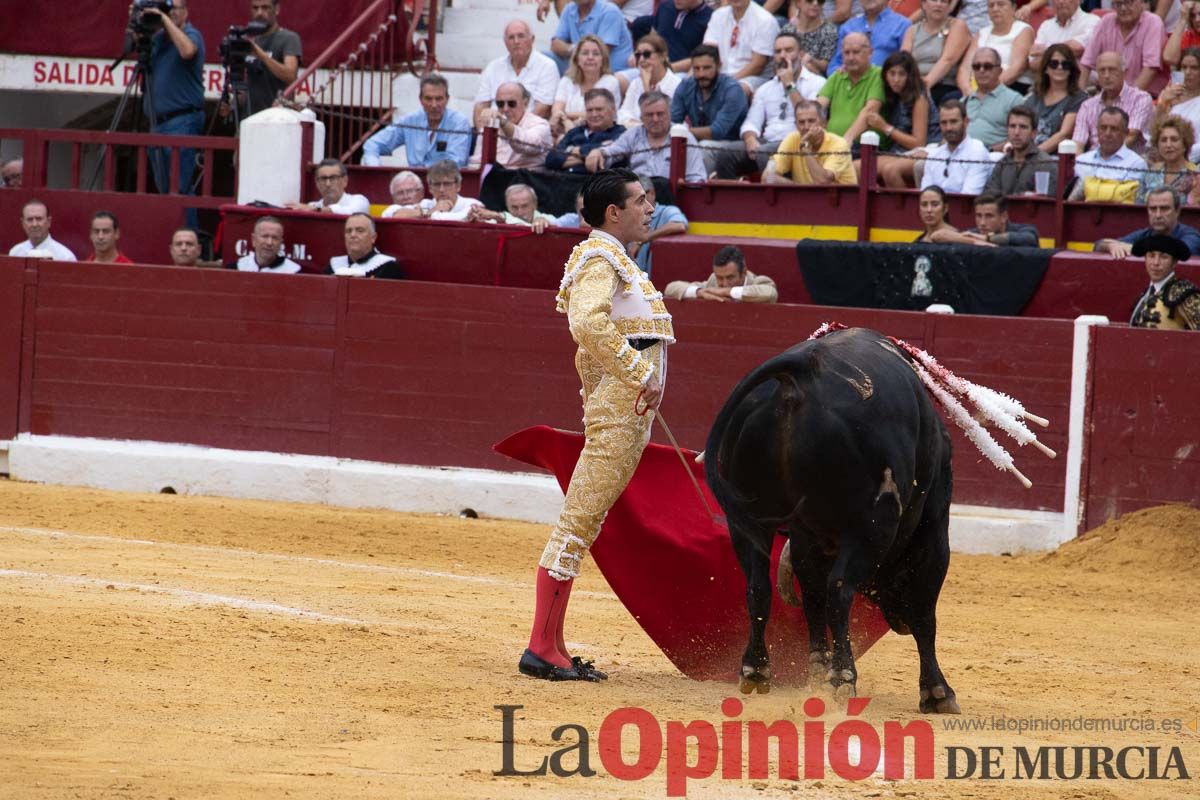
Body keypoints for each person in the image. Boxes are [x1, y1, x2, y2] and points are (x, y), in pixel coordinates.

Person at [520, 168, 673, 683]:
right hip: (618, 416)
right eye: (641, 201)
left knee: (583, 524)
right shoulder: (600, 256)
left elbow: (589, 349)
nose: (650, 209)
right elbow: (586, 324)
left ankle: (552, 645)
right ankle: (541, 648)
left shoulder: (614, 259)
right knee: (577, 525)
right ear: (614, 212)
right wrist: (636, 375)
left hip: (621, 415)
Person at [730, 32, 828, 177]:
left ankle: (771, 196)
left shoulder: (818, 83)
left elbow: (809, 115)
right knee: (713, 149)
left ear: (801, 54)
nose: (783, 55)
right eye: (778, 51)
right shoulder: (765, 88)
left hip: (800, 141)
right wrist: (750, 138)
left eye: (788, 50)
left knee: (764, 151)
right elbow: (751, 123)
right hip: (766, 142)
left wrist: (789, 84)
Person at [135, 0, 204, 195]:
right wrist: (137, 23)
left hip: (181, 121)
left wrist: (164, 19)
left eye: (174, 8)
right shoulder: (158, 39)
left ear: (186, 12)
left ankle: (187, 226)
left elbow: (188, 51)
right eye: (167, 9)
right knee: (164, 189)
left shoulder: (192, 34)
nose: (170, 12)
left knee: (179, 189)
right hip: (157, 124)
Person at [589, 91, 709, 181]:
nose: (655, 119)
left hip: (672, 197)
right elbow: (612, 152)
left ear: (669, 114)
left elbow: (697, 177)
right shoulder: (633, 135)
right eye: (649, 115)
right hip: (639, 198)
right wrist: (598, 152)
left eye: (660, 114)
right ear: (641, 117)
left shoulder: (684, 136)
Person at [361, 75, 472, 167]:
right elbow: (372, 144)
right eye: (428, 99)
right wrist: (375, 166)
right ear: (420, 99)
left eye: (439, 99)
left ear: (447, 99)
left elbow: (456, 162)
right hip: (414, 182)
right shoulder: (410, 120)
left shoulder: (459, 123)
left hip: (445, 183)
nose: (434, 105)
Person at [671, 45, 750, 174]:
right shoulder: (685, 85)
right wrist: (677, 131)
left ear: (719, 66)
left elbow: (717, 131)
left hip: (732, 144)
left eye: (707, 68)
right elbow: (673, 121)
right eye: (696, 68)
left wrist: (681, 132)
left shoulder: (733, 89)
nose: (701, 74)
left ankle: (697, 187)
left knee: (704, 147)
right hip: (696, 141)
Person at [867, 50, 941, 186]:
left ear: (910, 76)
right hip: (898, 152)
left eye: (901, 74)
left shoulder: (919, 98)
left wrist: (885, 127)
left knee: (890, 171)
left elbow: (919, 142)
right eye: (892, 73)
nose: (896, 79)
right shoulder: (890, 94)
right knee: (858, 168)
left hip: (925, 150)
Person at [474, 21, 560, 125]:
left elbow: (543, 109)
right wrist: (482, 134)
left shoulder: (547, 66)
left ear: (532, 39)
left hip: (529, 133)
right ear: (505, 43)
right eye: (511, 37)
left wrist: (513, 132)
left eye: (521, 36)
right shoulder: (493, 67)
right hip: (494, 131)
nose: (516, 41)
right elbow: (480, 106)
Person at [1080, 0, 1168, 95]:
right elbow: (1086, 62)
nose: (1123, 8)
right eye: (1118, 4)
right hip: (1109, 94)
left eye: (1128, 3)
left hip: (1145, 95)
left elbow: (1150, 68)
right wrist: (1078, 97)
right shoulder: (1106, 21)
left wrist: (1127, 99)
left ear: (1142, 2)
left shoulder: (1153, 22)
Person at [1072, 52, 1154, 153]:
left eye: (1112, 70)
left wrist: (1103, 159)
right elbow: (1078, 143)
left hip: (1129, 161)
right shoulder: (1087, 105)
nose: (1106, 75)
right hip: (1093, 162)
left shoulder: (1140, 99)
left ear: (1124, 72)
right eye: (1102, 70)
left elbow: (1131, 136)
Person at [765, 100, 860, 184]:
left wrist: (805, 148)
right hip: (807, 201)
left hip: (840, 202)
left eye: (811, 121)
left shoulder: (839, 144)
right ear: (796, 125)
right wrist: (797, 189)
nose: (806, 127)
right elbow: (767, 178)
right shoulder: (792, 139)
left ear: (823, 123)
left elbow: (822, 181)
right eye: (801, 122)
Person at [817, 33, 885, 145]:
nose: (851, 57)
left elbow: (870, 111)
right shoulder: (837, 76)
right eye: (846, 53)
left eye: (856, 52)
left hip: (863, 147)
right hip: (832, 145)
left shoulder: (878, 75)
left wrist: (846, 140)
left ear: (870, 53)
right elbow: (818, 106)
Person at [550, 35, 624, 138]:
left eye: (596, 54)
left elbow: (596, 114)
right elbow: (557, 109)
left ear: (603, 59)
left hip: (600, 133)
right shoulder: (566, 81)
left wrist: (565, 116)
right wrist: (564, 119)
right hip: (566, 127)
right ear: (577, 59)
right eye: (585, 53)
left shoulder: (610, 82)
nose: (590, 57)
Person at [1094, 186, 1200, 256]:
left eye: (1164, 209)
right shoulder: (1145, 234)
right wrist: (1111, 245)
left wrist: (1133, 248)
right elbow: (1098, 245)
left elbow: (1179, 250)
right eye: (1153, 209)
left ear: (1177, 211)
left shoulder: (1191, 235)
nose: (1158, 215)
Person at [915, 99, 994, 193]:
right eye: (944, 123)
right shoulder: (934, 155)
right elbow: (926, 194)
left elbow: (968, 198)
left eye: (953, 122)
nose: (948, 128)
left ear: (966, 122)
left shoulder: (977, 152)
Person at [901, 0, 971, 106]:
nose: (938, 4)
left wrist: (923, 86)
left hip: (943, 86)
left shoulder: (957, 26)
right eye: (934, 0)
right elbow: (904, 62)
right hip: (913, 85)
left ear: (949, 6)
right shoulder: (911, 31)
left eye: (943, 1)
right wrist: (912, 84)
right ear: (924, 4)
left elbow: (948, 60)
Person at [1021, 44, 1087, 155]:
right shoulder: (1033, 98)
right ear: (1046, 68)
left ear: (1071, 69)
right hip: (1029, 154)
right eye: (1054, 64)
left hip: (1057, 158)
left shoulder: (1079, 98)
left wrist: (1033, 155)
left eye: (1065, 64)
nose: (1059, 67)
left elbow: (1064, 134)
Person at [1071, 107, 1149, 200]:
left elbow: (1129, 199)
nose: (1108, 133)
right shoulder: (1081, 161)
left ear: (1126, 133)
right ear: (1097, 130)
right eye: (1103, 128)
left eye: (1114, 129)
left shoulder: (1136, 164)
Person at [702, 0, 781, 91]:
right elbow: (707, 52)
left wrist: (726, 83)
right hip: (720, 75)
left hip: (752, 77)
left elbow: (757, 66)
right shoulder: (718, 15)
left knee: (735, 90)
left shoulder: (765, 20)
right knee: (685, 81)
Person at [474, 83, 555, 169]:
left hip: (525, 178)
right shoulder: (492, 125)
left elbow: (525, 145)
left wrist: (503, 122)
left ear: (526, 103)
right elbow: (476, 161)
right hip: (493, 177)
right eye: (500, 104)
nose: (505, 109)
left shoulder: (540, 124)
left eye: (511, 103)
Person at [959, 0, 1033, 94]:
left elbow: (1018, 67)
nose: (995, 9)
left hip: (1009, 87)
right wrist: (967, 90)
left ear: (1014, 7)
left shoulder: (1023, 30)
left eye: (1001, 4)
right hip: (977, 87)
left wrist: (987, 90)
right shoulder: (982, 33)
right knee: (951, 99)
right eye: (991, 5)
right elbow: (965, 68)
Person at [243, 0, 302, 116]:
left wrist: (261, 54)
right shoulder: (251, 41)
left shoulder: (288, 38)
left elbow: (291, 76)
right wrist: (233, 103)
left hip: (276, 120)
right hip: (249, 120)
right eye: (255, 8)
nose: (259, 13)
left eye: (265, 8)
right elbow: (250, 87)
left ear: (277, 9)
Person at [1128, 234, 1200, 329]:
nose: (1156, 263)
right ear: (1145, 259)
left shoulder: (1183, 292)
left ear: (1174, 262)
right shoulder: (1145, 295)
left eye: (1164, 257)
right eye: (1151, 256)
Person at [545, 88, 626, 173]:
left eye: (599, 109)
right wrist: (591, 155)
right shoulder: (575, 132)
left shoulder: (621, 133)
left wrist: (572, 150)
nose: (594, 114)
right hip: (561, 182)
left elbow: (608, 154)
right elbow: (551, 160)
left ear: (613, 109)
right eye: (589, 110)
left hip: (595, 184)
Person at [663, 244, 779, 301]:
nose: (723, 283)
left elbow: (770, 293)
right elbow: (671, 288)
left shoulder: (758, 281)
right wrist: (700, 292)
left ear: (743, 272)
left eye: (730, 277)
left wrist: (727, 292)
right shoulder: (713, 282)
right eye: (720, 277)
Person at [983, 106, 1058, 194]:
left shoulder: (1045, 164)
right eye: (1012, 126)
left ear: (1034, 133)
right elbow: (992, 198)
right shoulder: (1002, 164)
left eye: (1023, 127)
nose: (1016, 132)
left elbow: (1047, 204)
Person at [547, 0, 634, 75]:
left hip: (611, 72)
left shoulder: (609, 11)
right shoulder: (569, 9)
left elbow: (601, 51)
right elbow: (555, 45)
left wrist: (573, 50)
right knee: (547, 58)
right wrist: (573, 49)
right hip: (582, 65)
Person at [959, 47, 1022, 149]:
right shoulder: (964, 101)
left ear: (1000, 70)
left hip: (996, 157)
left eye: (987, 66)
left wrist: (992, 151)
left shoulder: (1013, 100)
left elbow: (1021, 136)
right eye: (976, 66)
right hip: (963, 155)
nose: (982, 70)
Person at [827, 0, 912, 76]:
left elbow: (905, 63)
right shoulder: (848, 27)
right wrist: (839, 73)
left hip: (885, 86)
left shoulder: (902, 25)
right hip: (850, 84)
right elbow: (834, 64)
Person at [924, 191, 1040, 245]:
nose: (982, 223)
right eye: (979, 216)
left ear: (1003, 216)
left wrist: (987, 239)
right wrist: (974, 241)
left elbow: (1029, 239)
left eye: (989, 216)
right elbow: (936, 236)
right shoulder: (974, 234)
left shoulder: (1024, 230)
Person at [618, 33, 683, 126]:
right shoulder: (636, 83)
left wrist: (646, 88)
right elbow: (622, 115)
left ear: (662, 56)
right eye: (638, 55)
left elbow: (660, 120)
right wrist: (639, 126)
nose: (641, 59)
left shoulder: (676, 85)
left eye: (646, 54)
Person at [630, 176, 688, 272]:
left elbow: (680, 225)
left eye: (642, 196)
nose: (638, 201)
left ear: (652, 193)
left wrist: (644, 239)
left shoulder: (666, 211)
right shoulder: (630, 214)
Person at [1136, 115, 1199, 203]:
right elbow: (1138, 206)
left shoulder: (1195, 175)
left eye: (1174, 139)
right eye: (1163, 140)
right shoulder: (1150, 174)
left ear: (1185, 144)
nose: (1168, 145)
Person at [640, 0, 713, 70]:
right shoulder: (665, 6)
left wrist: (667, 69)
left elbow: (703, 57)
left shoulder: (710, 19)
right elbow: (652, 38)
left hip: (682, 73)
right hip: (654, 65)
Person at [1155, 47, 1200, 161]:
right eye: (1184, 67)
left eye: (1194, 68)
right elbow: (1155, 132)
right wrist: (1163, 104)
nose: (1188, 72)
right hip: (1165, 154)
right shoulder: (1168, 95)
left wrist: (1181, 153)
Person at [1028, 0, 1099, 71]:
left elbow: (1078, 48)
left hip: (1081, 80)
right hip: (1050, 80)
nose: (1061, 1)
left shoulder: (1092, 21)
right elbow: (1033, 63)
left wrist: (1045, 52)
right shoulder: (1046, 25)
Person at [327, 214, 404, 278]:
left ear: (373, 237)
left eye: (360, 230)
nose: (353, 235)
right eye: (348, 231)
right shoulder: (334, 265)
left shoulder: (388, 267)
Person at [286, 159, 370, 215]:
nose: (328, 184)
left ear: (345, 181)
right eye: (323, 179)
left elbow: (352, 213)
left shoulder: (359, 200)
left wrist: (316, 210)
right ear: (317, 183)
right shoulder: (312, 206)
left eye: (333, 178)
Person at [469, 183, 559, 232]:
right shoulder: (497, 217)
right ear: (507, 206)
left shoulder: (548, 219)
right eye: (514, 207)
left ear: (535, 204)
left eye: (524, 206)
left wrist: (544, 222)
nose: (520, 212)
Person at [782, 0, 840, 76]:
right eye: (809, 0)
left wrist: (811, 59)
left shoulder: (829, 30)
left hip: (815, 77)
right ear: (798, 3)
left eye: (820, 1)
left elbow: (825, 65)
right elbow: (781, 58)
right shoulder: (788, 30)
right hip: (789, 71)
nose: (815, 3)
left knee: (808, 67)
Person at [228, 216, 301, 272]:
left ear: (280, 243)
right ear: (254, 239)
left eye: (275, 238)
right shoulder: (236, 268)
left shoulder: (293, 271)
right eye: (265, 236)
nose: (269, 242)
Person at [9, 200, 76, 261]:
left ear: (48, 222)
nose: (34, 224)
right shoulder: (15, 253)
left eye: (39, 219)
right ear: (23, 223)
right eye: (30, 219)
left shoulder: (65, 257)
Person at [418, 159, 483, 220]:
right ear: (430, 188)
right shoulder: (425, 204)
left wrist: (429, 214)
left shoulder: (472, 204)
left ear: (458, 186)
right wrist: (433, 210)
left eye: (447, 184)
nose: (441, 189)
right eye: (436, 184)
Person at [1164, 1, 1200, 68]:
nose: (1197, 19)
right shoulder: (1189, 36)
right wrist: (1182, 20)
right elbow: (1169, 58)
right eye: (1193, 16)